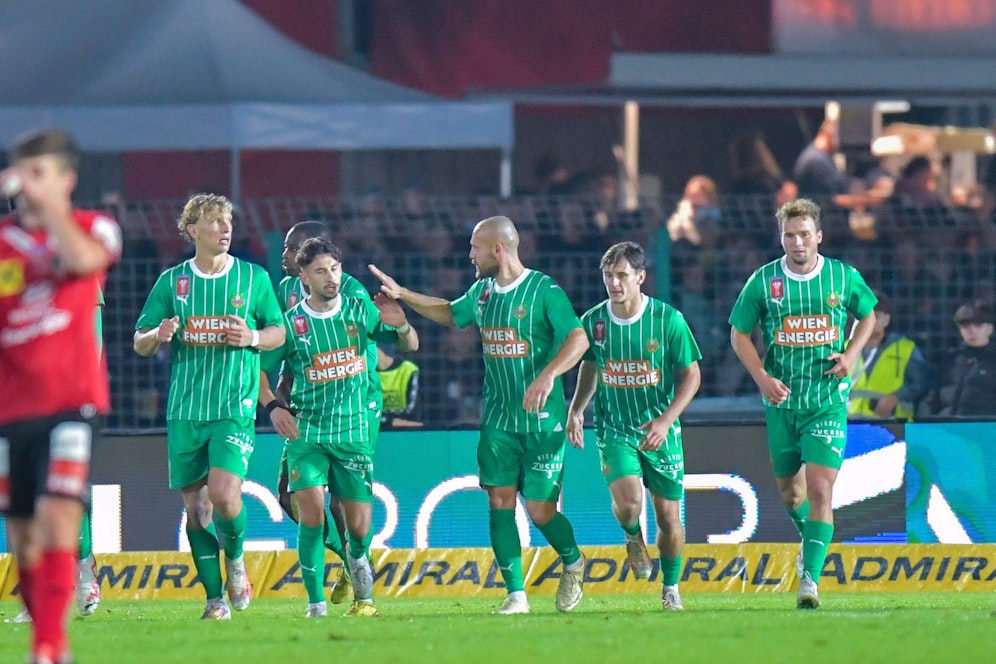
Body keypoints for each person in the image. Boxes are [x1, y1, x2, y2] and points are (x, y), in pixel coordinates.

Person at [369, 215, 591, 615]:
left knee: (540, 510)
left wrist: (548, 375)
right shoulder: (483, 292)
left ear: (497, 249)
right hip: (499, 420)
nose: (470, 254)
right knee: (499, 501)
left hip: (543, 421)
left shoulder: (544, 291)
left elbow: (578, 338)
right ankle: (516, 594)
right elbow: (451, 313)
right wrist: (404, 295)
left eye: (475, 247)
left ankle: (574, 562)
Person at [0, 129, 121, 663]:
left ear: (66, 180)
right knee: (24, 537)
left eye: (41, 173)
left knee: (60, 515)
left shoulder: (95, 227)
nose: (29, 183)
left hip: (73, 401)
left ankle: (48, 648)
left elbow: (85, 262)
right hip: (11, 407)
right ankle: (47, 634)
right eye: (24, 172)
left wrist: (50, 210)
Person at [133, 193, 285, 620]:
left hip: (233, 407)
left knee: (222, 494)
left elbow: (279, 331)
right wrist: (158, 335)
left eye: (228, 221)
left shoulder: (253, 278)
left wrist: (254, 338)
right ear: (192, 230)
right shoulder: (173, 282)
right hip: (186, 409)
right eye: (215, 221)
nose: (225, 228)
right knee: (196, 512)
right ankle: (215, 600)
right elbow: (140, 340)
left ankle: (235, 561)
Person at [729, 198, 877, 609]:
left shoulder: (842, 276)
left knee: (820, 490)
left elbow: (868, 316)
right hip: (782, 402)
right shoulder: (764, 281)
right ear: (781, 238)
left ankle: (809, 581)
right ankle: (809, 540)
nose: (797, 242)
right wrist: (762, 378)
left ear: (819, 236)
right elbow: (739, 334)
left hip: (827, 400)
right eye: (790, 235)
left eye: (804, 235)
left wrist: (851, 355)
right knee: (792, 495)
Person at [260, 237, 419, 618]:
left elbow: (410, 345)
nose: (330, 277)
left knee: (359, 530)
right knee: (312, 514)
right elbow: (257, 371)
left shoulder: (359, 310)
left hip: (352, 432)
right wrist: (273, 408)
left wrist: (402, 325)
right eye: (320, 271)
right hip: (308, 432)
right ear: (303, 277)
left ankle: (363, 597)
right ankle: (315, 605)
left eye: (334, 269)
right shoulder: (290, 325)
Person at [566, 242, 702, 611]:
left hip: (659, 429)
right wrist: (577, 408)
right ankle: (632, 536)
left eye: (622, 275)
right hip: (615, 429)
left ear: (640, 277)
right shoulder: (594, 321)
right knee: (629, 505)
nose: (614, 282)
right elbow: (590, 365)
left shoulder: (667, 320)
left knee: (668, 519)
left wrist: (667, 419)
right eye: (608, 275)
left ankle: (670, 587)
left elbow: (692, 374)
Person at [273, 219, 386, 605]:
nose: (285, 255)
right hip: (311, 406)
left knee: (342, 499)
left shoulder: (349, 290)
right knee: (290, 497)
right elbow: (292, 348)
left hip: (356, 403)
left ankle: (356, 565)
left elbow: (365, 347)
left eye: (292, 248)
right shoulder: (288, 288)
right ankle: (349, 561)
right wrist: (281, 395)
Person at [847, 291, 930, 421]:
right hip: (850, 424)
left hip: (893, 424)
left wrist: (898, 397)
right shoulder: (844, 349)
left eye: (876, 316)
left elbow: (922, 382)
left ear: (887, 319)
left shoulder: (905, 349)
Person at [929, 300, 996, 416]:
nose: (972, 331)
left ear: (989, 329)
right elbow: (931, 397)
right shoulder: (947, 360)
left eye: (978, 325)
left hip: (984, 425)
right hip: (944, 423)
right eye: (966, 326)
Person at [376, 348, 423, 428]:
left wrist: (382, 419)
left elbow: (414, 419)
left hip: (408, 432)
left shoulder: (410, 370)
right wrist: (391, 421)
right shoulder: (359, 375)